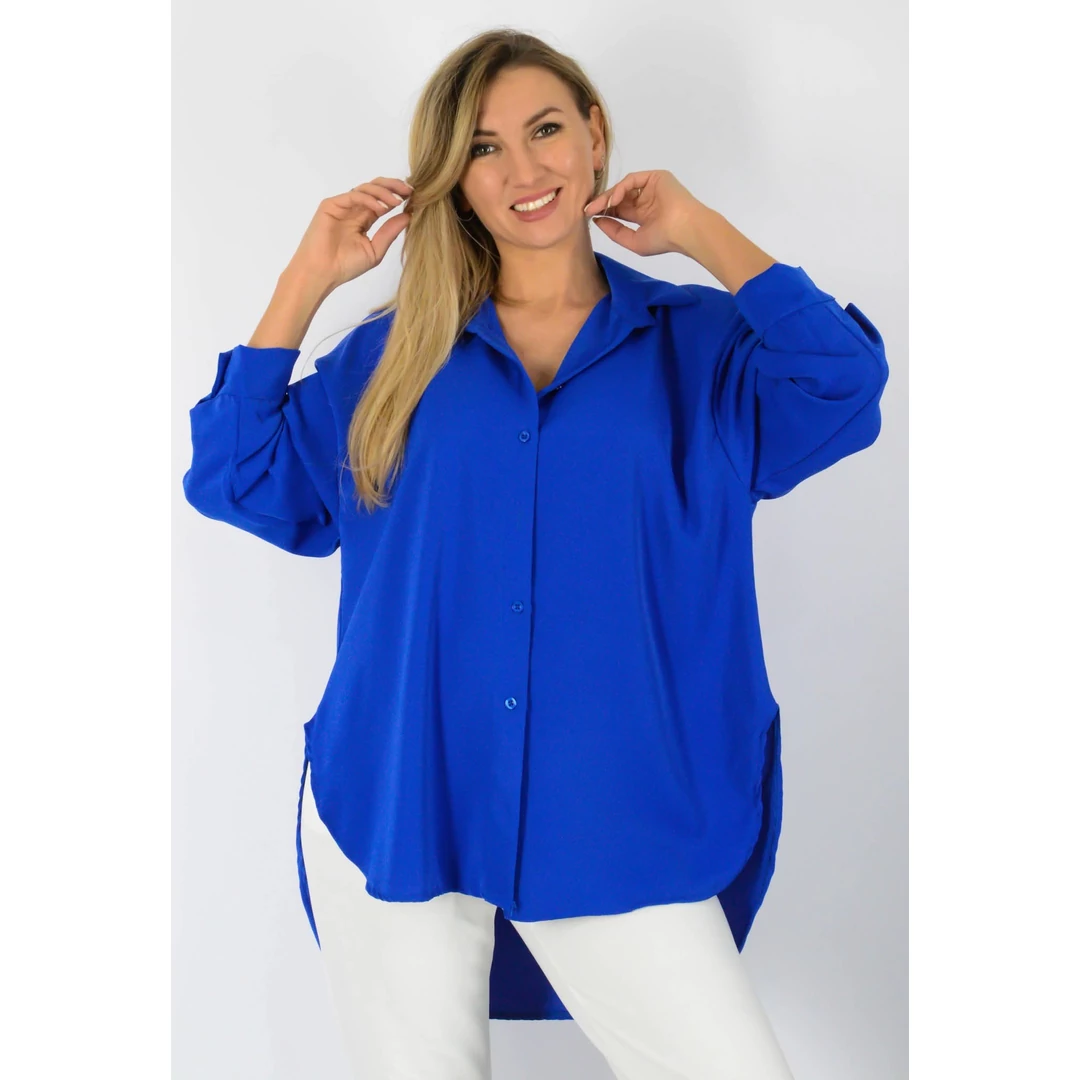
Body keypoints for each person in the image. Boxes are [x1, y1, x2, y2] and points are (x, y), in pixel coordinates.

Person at [183, 27, 888, 1080]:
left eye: (546, 129)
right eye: (483, 147)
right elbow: (233, 475)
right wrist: (305, 280)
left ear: (595, 135)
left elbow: (842, 386)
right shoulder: (390, 358)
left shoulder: (703, 348)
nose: (523, 168)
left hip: (615, 808)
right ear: (453, 178)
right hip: (401, 791)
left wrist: (701, 231)